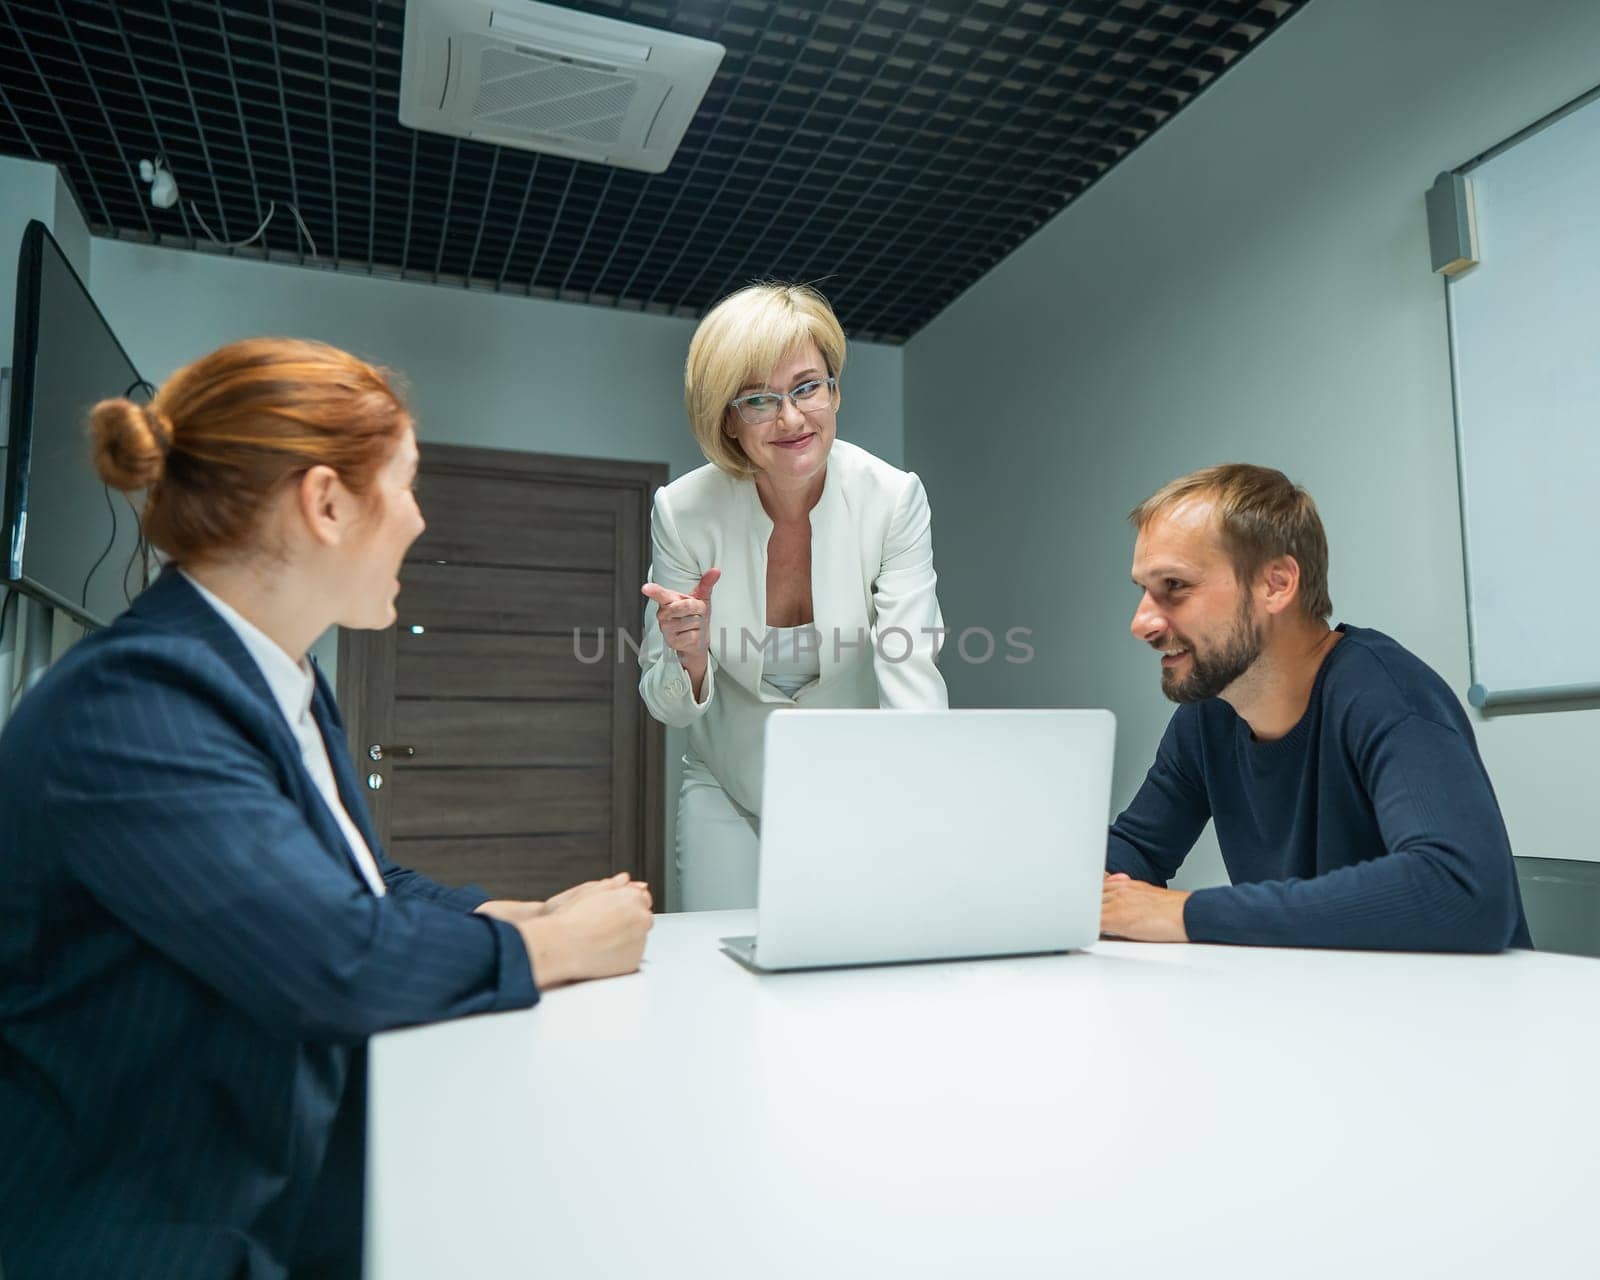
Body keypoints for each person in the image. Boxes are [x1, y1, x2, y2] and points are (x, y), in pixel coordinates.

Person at [0, 338, 653, 1280]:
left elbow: (360, 883)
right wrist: (557, 948)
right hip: (154, 1230)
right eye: (408, 486)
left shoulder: (273, 675)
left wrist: (495, 914)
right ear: (327, 502)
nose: (421, 521)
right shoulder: (133, 706)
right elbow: (330, 957)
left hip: (271, 1182)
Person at [1101, 463, 1530, 951]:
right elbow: (1136, 851)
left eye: (1174, 586)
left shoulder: (1385, 694)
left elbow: (1461, 891)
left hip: (1452, 1018)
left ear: (1277, 584)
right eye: (1143, 591)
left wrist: (1185, 913)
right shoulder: (1211, 715)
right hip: (1318, 1006)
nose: (1142, 623)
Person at [639, 283, 947, 909]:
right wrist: (690, 658)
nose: (791, 418)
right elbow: (666, 705)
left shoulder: (892, 499)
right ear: (726, 417)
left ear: (834, 388)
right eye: (758, 399)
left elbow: (909, 662)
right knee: (716, 967)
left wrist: (922, 801)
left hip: (855, 781)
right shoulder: (684, 512)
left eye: (808, 386)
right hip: (727, 787)